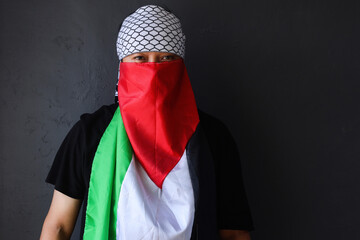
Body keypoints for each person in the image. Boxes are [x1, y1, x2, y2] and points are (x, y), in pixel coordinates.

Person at [40, 5, 253, 240]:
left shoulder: (214, 137)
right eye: (140, 58)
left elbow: (233, 233)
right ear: (123, 65)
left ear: (181, 65)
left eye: (166, 58)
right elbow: (58, 226)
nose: (153, 69)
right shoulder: (89, 134)